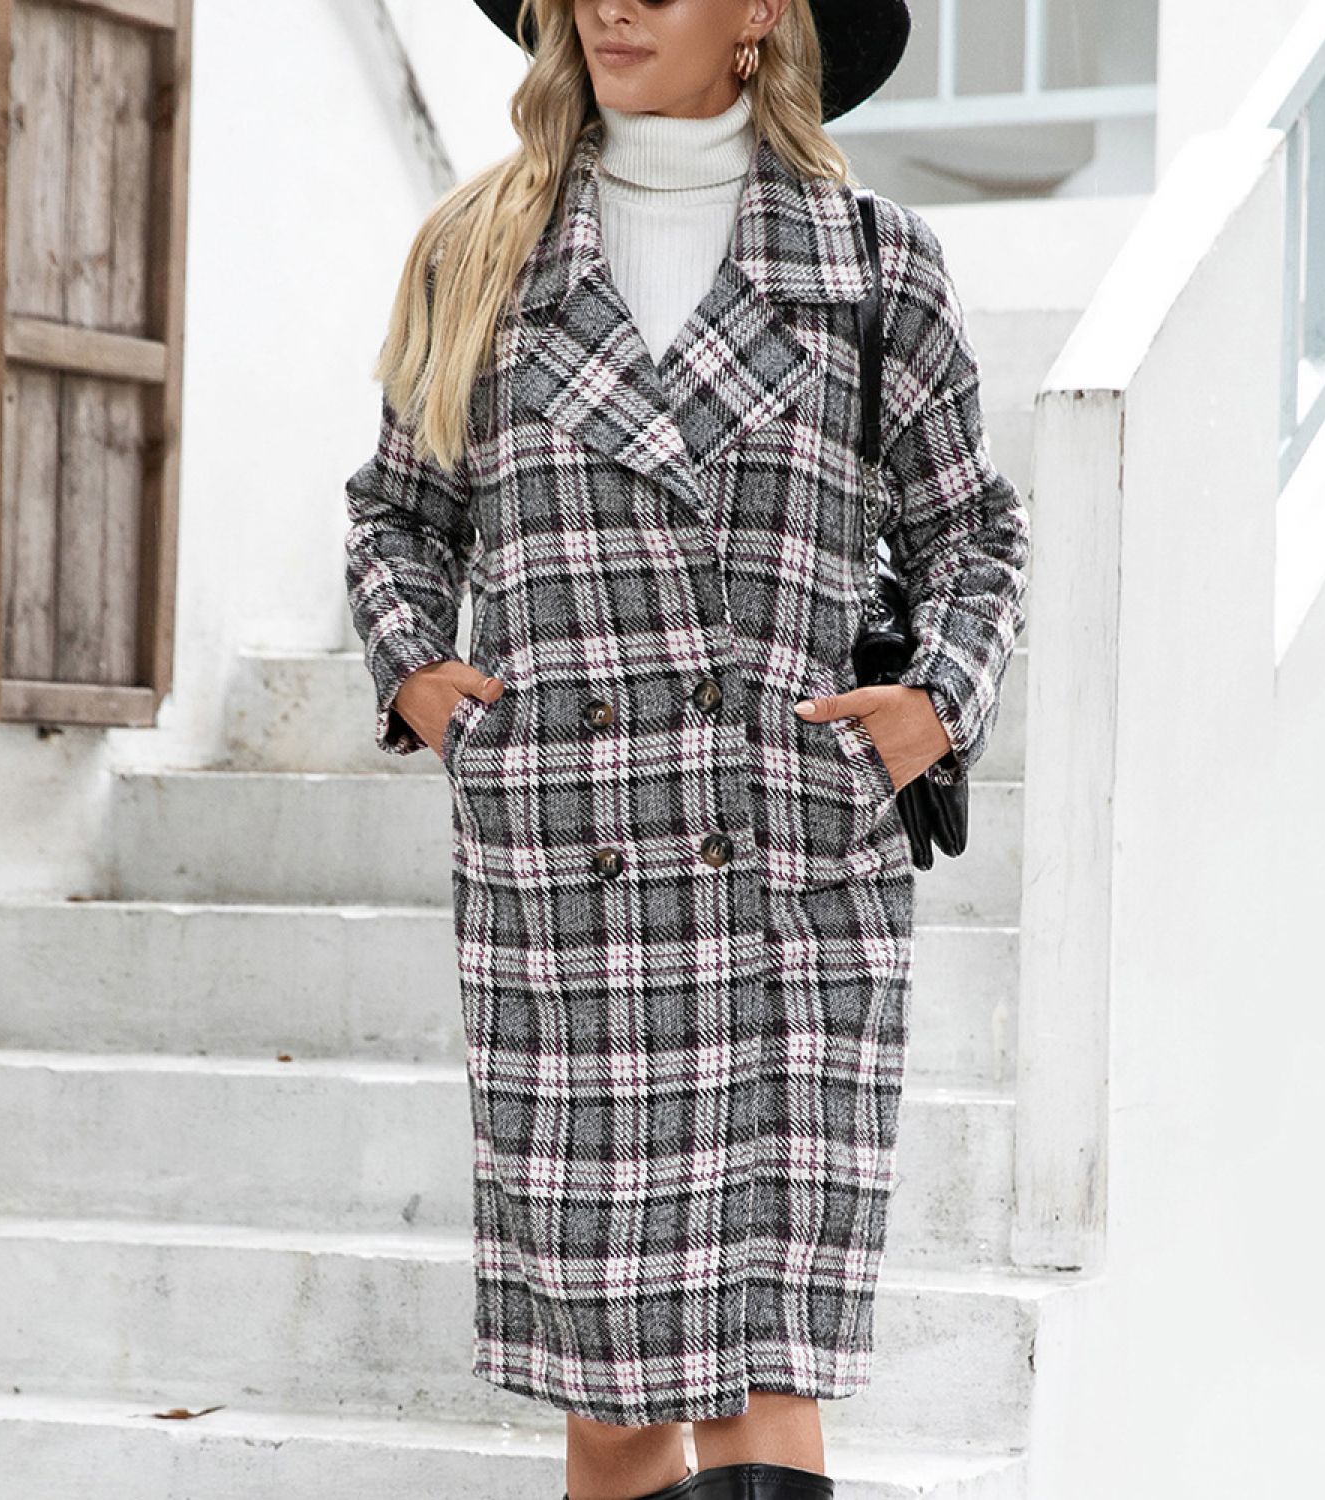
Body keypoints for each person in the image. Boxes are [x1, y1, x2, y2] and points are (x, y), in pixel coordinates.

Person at [342, 3, 1031, 1498]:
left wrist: (939, 700)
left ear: (763, 12)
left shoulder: (871, 266)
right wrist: (422, 680)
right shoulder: (481, 253)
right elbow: (398, 515)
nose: (614, 3)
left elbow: (974, 531)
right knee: (612, 1402)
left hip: (790, 870)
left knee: (769, 1377)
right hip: (570, 880)